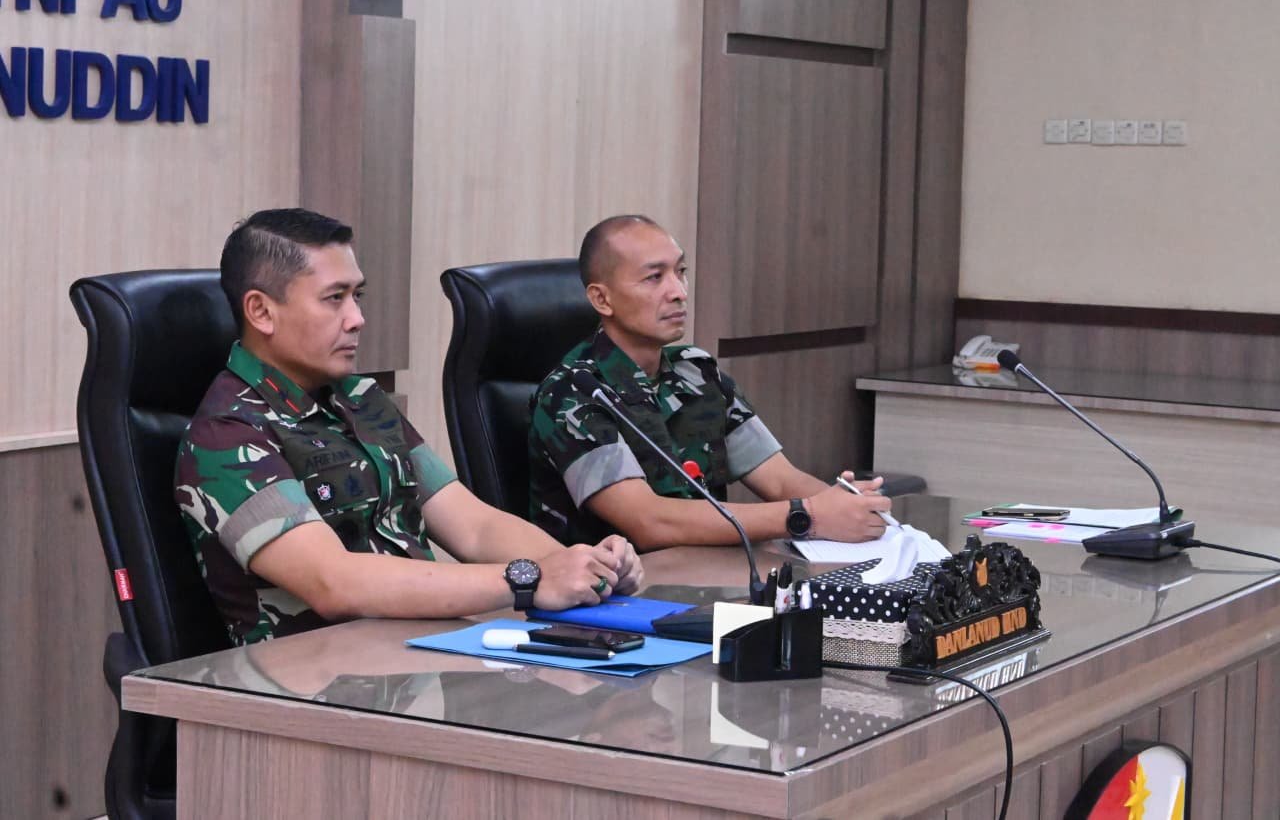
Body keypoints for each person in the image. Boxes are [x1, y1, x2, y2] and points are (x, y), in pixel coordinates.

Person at [175, 208, 642, 645]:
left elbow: (474, 527)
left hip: (418, 654)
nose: (357, 319)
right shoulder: (227, 434)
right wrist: (530, 580)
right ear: (261, 311)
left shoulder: (360, 399)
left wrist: (583, 569)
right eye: (334, 298)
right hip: (317, 678)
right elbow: (333, 583)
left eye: (356, 296)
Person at [528, 214, 893, 551]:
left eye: (681, 272)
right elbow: (650, 522)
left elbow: (780, 480)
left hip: (709, 573)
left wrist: (848, 507)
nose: (678, 291)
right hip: (617, 587)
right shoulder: (572, 392)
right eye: (654, 278)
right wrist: (807, 515)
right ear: (601, 299)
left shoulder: (696, 371)